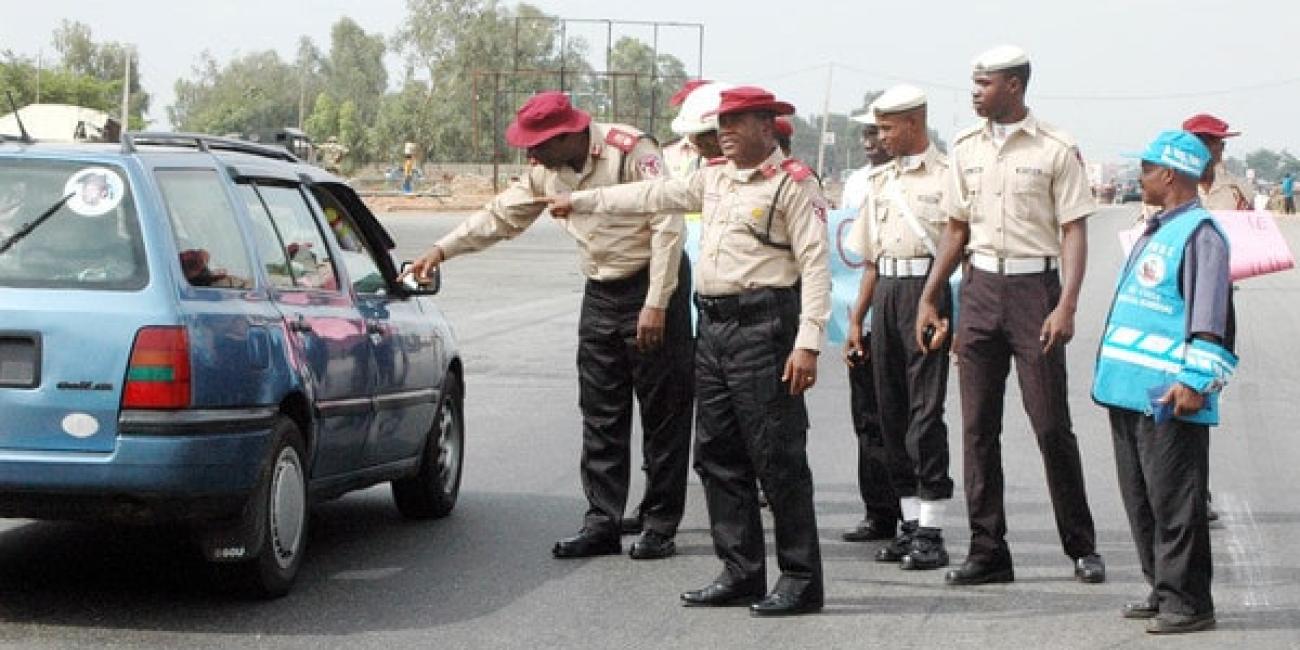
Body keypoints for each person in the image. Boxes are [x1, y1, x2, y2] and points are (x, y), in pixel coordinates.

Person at [550, 86, 831, 616]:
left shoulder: (793, 184)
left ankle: (800, 577)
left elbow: (815, 267)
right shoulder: (715, 175)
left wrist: (808, 343)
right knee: (717, 455)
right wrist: (582, 201)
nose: (723, 130)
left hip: (764, 328)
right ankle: (741, 571)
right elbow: (650, 196)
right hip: (715, 328)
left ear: (768, 126)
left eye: (737, 121)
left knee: (776, 458)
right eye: (721, 121)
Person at [405, 91, 694, 561]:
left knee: (664, 413)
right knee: (601, 414)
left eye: (536, 144)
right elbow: (501, 216)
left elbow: (668, 223)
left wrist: (657, 302)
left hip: (654, 286)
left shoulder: (630, 150)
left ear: (567, 135)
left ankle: (659, 524)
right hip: (601, 291)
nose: (529, 154)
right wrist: (440, 251)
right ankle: (602, 521)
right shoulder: (547, 169)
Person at [915, 45, 1105, 586]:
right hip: (978, 287)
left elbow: (1073, 228)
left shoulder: (1055, 148)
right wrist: (933, 295)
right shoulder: (965, 147)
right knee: (977, 428)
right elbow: (955, 228)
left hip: (1034, 292)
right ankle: (987, 550)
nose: (974, 92)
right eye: (974, 83)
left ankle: (1081, 546)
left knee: (1049, 425)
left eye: (983, 84)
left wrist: (1066, 303)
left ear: (1014, 86)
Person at [1092, 130, 1236, 635]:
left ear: (1170, 174)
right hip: (1129, 391)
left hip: (1170, 395)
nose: (1141, 176)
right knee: (1144, 499)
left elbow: (1209, 317)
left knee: (1177, 503)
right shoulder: (1157, 227)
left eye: (1148, 168)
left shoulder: (1201, 234)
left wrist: (1195, 381)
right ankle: (1161, 586)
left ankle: (1189, 601)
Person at [847, 84, 954, 570]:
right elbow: (871, 260)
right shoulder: (879, 180)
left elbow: (963, 251)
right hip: (887, 294)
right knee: (891, 415)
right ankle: (910, 524)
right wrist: (856, 319)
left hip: (927, 296)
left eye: (887, 127)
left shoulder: (949, 176)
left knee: (924, 416)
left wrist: (951, 313)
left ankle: (932, 530)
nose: (880, 136)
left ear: (914, 122)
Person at [839, 105, 903, 544]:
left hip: (906, 304)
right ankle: (878, 512)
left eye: (877, 131)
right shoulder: (856, 182)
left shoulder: (924, 178)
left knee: (906, 415)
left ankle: (914, 515)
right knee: (867, 415)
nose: (868, 141)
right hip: (861, 307)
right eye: (864, 132)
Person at [1181, 114, 1252, 211]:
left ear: (1221, 147)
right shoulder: (1173, 187)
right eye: (1196, 143)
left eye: (1208, 142)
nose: (1201, 150)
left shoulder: (1238, 189)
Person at [841, 110, 891, 210]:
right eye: (865, 135)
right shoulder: (855, 181)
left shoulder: (904, 177)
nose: (868, 142)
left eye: (873, 134)